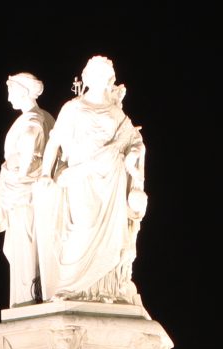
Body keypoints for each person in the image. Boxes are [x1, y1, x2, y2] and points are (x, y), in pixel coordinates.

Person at [36, 55, 147, 304]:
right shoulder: (73, 108)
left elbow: (135, 141)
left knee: (112, 237)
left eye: (106, 76)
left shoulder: (116, 113)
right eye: (95, 75)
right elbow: (54, 142)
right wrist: (45, 173)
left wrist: (132, 157)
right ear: (87, 77)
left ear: (109, 80)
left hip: (112, 180)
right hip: (82, 176)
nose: (101, 80)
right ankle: (71, 286)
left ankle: (104, 290)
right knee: (82, 227)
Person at [0, 73, 55, 306]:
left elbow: (31, 136)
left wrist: (20, 172)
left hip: (23, 190)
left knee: (25, 242)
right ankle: (35, 293)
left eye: (11, 92)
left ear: (23, 92)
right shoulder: (48, 117)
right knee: (35, 241)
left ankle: (26, 299)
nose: (9, 98)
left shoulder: (33, 118)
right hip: (32, 190)